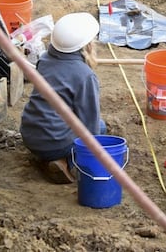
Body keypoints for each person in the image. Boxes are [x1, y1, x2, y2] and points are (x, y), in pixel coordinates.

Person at [20, 12, 106, 184]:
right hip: (55, 142)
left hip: (29, 134)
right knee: (101, 127)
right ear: (88, 45)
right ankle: (65, 161)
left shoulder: (44, 60)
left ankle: (45, 156)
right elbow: (90, 124)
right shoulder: (84, 75)